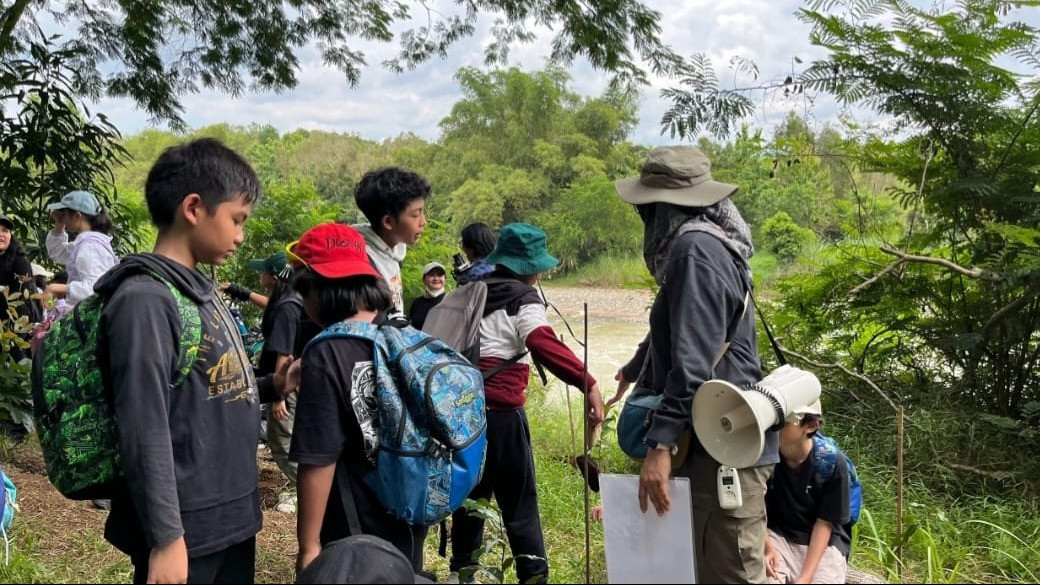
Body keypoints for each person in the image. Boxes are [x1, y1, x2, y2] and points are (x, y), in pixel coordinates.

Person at [94, 137, 286, 584]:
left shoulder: (197, 290)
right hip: (185, 530)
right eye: (237, 220)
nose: (241, 236)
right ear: (194, 208)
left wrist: (274, 385)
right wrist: (166, 538)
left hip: (229, 517)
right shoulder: (145, 299)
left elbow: (206, 394)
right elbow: (143, 425)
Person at [611, 146, 773, 583]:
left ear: (664, 207)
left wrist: (660, 446)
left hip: (723, 441)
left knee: (729, 571)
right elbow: (685, 325)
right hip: (714, 431)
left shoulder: (694, 250)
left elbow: (693, 362)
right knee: (698, 564)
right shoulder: (708, 241)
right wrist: (634, 368)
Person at [448, 222, 605, 585]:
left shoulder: (471, 289)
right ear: (530, 267)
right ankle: (533, 577)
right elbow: (540, 340)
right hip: (503, 417)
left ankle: (461, 574)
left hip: (462, 415)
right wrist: (588, 382)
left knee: (472, 498)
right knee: (520, 505)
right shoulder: (524, 297)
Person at [286, 223, 429, 575]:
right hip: (408, 506)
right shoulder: (400, 335)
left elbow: (319, 459)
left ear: (319, 290)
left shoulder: (326, 351)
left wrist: (309, 546)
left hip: (353, 519)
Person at [764, 401, 850, 584]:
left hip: (823, 544)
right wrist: (765, 546)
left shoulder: (831, 462)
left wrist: (806, 577)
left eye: (783, 423)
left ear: (811, 426)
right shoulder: (763, 455)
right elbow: (753, 507)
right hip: (777, 536)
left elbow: (825, 523)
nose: (773, 428)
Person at [249, 251, 302, 513]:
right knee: (286, 437)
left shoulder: (285, 309)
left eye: (263, 272)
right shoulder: (288, 301)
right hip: (283, 382)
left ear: (273, 277)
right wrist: (242, 293)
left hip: (284, 385)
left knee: (281, 439)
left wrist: (277, 395)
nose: (261, 276)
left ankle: (302, 488)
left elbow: (285, 353)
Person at [352, 167, 430, 319]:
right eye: (415, 215)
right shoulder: (364, 264)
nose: (423, 222)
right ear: (388, 222)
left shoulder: (393, 252)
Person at [44, 190, 119, 306]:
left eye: (64, 214)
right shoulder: (87, 243)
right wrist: (59, 223)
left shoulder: (90, 247)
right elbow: (57, 252)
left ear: (77, 216)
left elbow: (95, 289)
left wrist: (57, 288)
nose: (62, 217)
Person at [0, 212, 35, 361]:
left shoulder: (19, 263)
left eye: (5, 230)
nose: (2, 234)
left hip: (13, 328)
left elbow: (22, 300)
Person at [408, 261, 446, 330]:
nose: (436, 278)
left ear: (445, 279)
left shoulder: (450, 300)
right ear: (423, 279)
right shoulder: (417, 303)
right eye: (431, 275)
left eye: (440, 275)